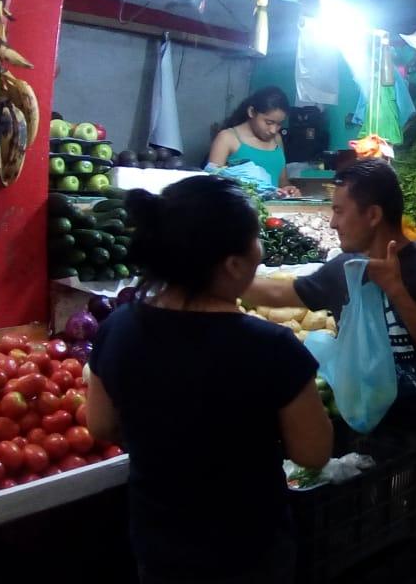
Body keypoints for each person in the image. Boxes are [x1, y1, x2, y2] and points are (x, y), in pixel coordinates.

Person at [87, 177, 333, 584]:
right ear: (233, 264)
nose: (261, 248)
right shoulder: (272, 347)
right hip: (250, 551)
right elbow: (313, 451)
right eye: (255, 237)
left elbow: (99, 424)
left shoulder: (119, 329)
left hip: (161, 545)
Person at [242, 159, 416, 584]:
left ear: (373, 214)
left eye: (340, 210)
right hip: (375, 437)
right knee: (382, 546)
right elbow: (279, 290)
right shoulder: (343, 270)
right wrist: (218, 277)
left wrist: (395, 289)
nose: (333, 220)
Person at [208, 86, 301, 197]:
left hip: (274, 211)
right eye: (269, 122)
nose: (273, 130)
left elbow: (282, 182)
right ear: (251, 112)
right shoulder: (227, 138)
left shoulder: (277, 139)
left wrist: (289, 190)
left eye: (279, 124)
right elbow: (211, 186)